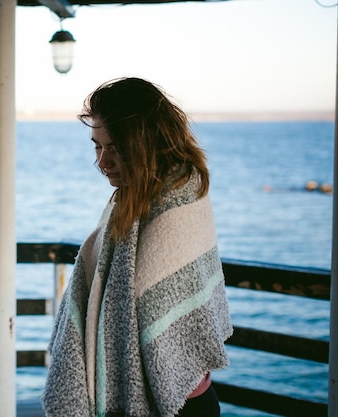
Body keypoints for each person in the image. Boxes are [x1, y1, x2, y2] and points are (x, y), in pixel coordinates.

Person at [42, 77, 233, 417]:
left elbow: (152, 304)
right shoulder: (128, 204)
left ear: (146, 142)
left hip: (185, 406)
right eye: (97, 146)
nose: (102, 161)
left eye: (114, 147)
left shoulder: (181, 201)